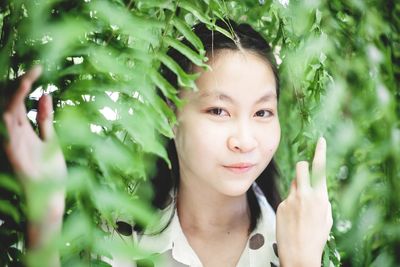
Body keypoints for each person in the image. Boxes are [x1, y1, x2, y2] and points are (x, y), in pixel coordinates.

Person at [2, 19, 333, 267]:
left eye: (263, 112)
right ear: (168, 116)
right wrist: (44, 215)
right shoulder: (118, 237)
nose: (244, 141)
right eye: (218, 110)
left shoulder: (300, 237)